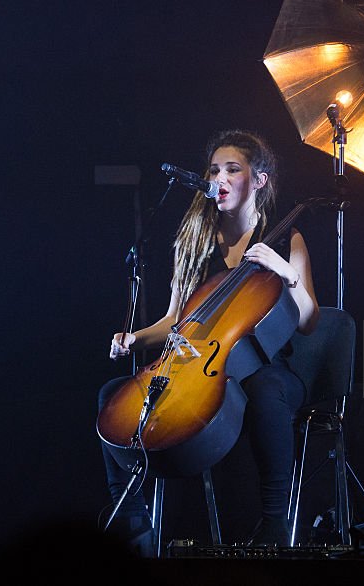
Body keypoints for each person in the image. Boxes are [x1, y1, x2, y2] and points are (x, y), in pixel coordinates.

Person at [100, 130, 319, 553]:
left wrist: (286, 273)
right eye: (214, 170)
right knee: (113, 395)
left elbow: (308, 321)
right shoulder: (194, 241)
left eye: (232, 170)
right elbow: (174, 321)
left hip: (269, 365)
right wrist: (134, 338)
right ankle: (130, 516)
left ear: (260, 180)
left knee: (265, 389)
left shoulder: (284, 238)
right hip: (201, 364)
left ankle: (275, 522)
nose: (219, 178)